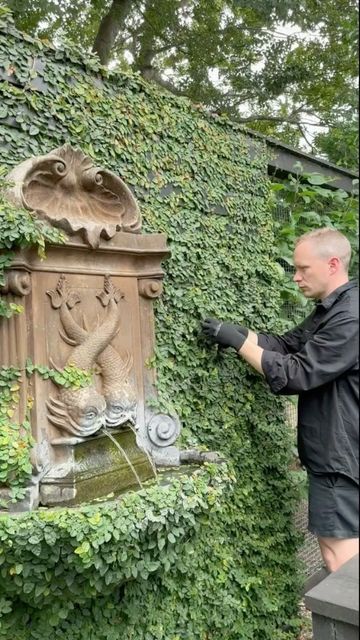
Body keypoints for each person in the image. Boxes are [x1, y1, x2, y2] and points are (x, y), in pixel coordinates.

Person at [201, 227, 359, 573]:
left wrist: (239, 345)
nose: (296, 277)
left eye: (303, 269)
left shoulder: (350, 317)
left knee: (340, 556)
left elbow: (297, 373)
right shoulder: (332, 308)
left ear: (332, 264)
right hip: (338, 450)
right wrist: (240, 334)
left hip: (340, 455)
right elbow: (287, 345)